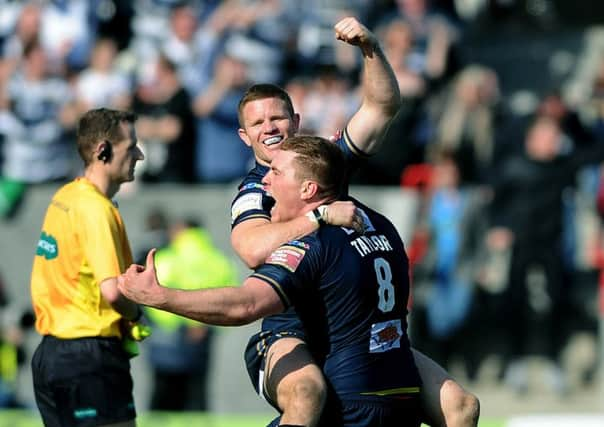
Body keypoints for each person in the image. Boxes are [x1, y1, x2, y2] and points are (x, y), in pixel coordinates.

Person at [230, 17, 478, 427]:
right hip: (295, 331)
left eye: (277, 118)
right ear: (245, 136)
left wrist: (370, 48)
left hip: (360, 329)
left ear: (295, 120)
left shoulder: (324, 160)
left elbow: (382, 108)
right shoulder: (258, 189)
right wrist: (320, 215)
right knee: (309, 395)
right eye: (258, 123)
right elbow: (252, 248)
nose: (270, 128)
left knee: (462, 407)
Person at [119, 136, 424, 426]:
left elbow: (247, 303)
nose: (266, 180)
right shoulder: (381, 225)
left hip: (348, 396)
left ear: (307, 189)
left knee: (305, 393)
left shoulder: (311, 242)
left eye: (276, 172)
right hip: (400, 390)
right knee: (460, 404)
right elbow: (380, 109)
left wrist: (159, 296)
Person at [30, 108, 146, 427]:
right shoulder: (96, 209)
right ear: (103, 151)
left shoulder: (65, 197)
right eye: (131, 146)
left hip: (51, 355)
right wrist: (137, 312)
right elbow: (111, 291)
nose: (139, 154)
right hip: (89, 355)